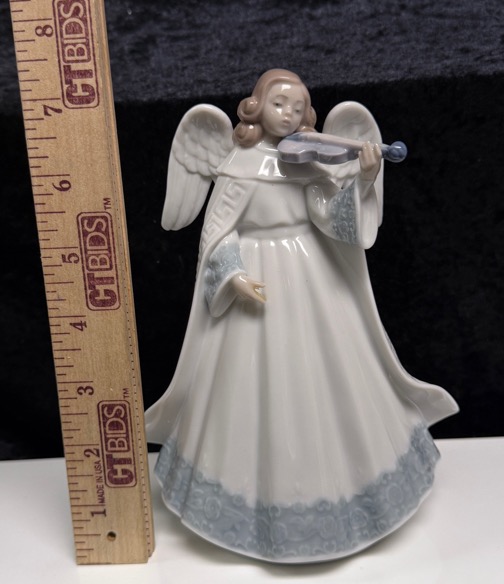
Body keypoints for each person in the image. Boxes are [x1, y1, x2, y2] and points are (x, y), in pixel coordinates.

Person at [145, 69, 458, 563]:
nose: (288, 114)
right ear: (257, 106)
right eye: (279, 104)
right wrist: (232, 274)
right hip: (258, 274)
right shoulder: (239, 163)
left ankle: (356, 499)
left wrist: (365, 177)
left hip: (311, 273)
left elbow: (332, 219)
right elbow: (219, 229)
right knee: (252, 383)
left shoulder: (308, 158)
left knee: (332, 371)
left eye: (298, 107)